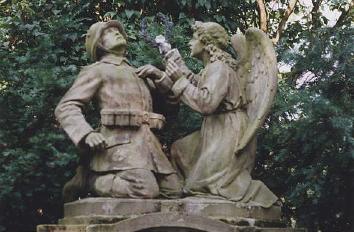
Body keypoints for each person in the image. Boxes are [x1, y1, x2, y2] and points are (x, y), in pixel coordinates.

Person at [137, 21, 278, 207]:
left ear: (205, 43)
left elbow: (205, 103)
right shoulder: (212, 68)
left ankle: (244, 190)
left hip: (229, 132)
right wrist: (170, 67)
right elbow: (195, 82)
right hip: (215, 129)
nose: (189, 42)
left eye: (194, 38)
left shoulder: (219, 69)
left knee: (201, 185)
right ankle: (175, 196)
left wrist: (179, 79)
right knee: (180, 150)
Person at [55, 20, 181, 202]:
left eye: (118, 31)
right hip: (118, 147)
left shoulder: (139, 72)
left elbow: (172, 103)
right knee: (145, 190)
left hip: (148, 145)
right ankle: (92, 180)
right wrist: (86, 134)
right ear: (99, 43)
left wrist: (160, 77)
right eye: (109, 32)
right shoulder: (97, 71)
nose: (116, 33)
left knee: (174, 191)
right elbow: (66, 106)